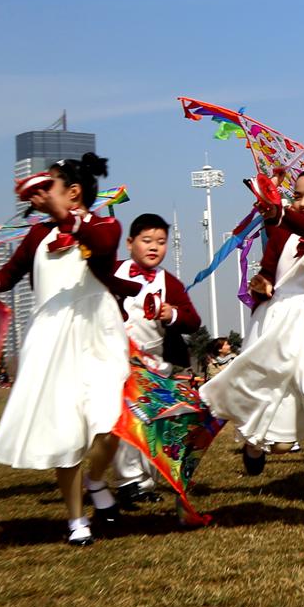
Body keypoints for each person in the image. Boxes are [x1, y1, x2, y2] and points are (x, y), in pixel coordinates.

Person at [198, 162, 304, 529]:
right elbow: (269, 269)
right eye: (297, 196)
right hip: (280, 328)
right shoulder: (281, 232)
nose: (303, 203)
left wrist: (282, 213)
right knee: (277, 434)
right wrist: (262, 282)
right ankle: (254, 445)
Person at [0, 157, 129, 546]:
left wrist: (66, 218)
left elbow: (103, 247)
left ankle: (96, 480)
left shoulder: (105, 226)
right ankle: (77, 519)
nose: (42, 192)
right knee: (65, 432)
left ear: (73, 192)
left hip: (98, 335)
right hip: (51, 340)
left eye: (51, 185)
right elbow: (9, 274)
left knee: (109, 422)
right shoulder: (37, 235)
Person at [110, 213, 202, 505]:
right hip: (116, 361)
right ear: (129, 243)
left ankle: (147, 482)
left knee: (152, 423)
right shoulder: (111, 271)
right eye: (147, 240)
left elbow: (193, 321)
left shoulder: (169, 283)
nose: (154, 247)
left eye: (161, 242)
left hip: (155, 365)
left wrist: (171, 314)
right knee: (126, 422)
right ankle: (127, 482)